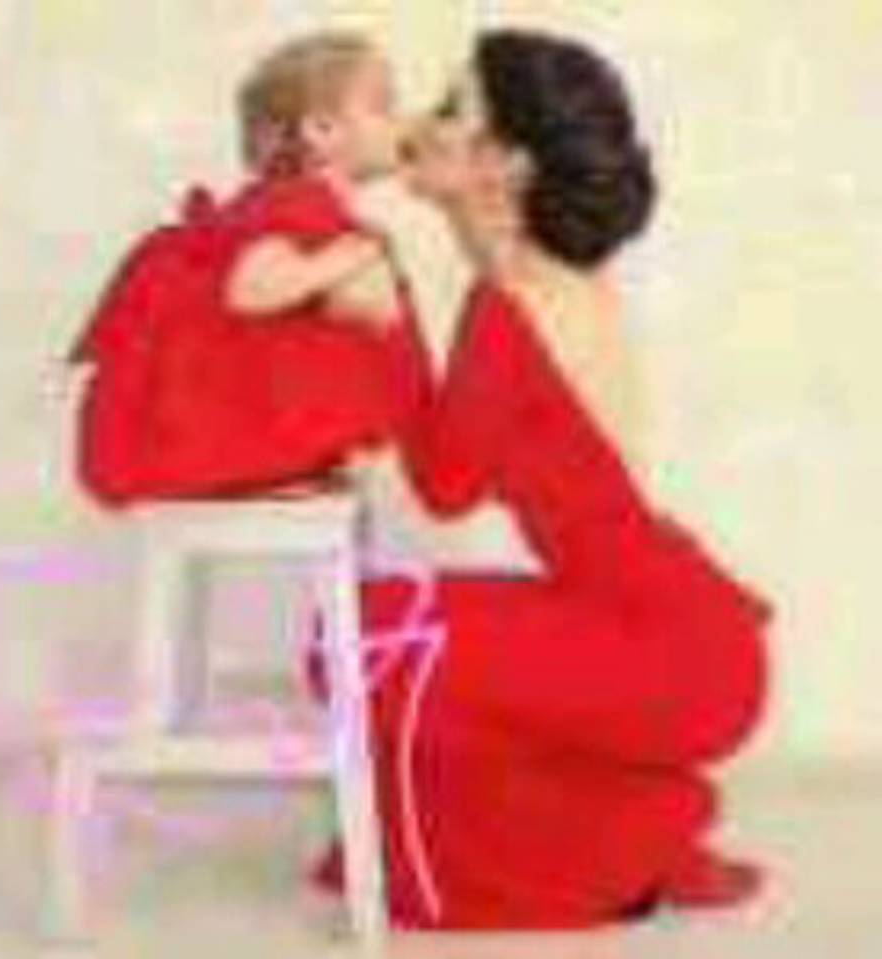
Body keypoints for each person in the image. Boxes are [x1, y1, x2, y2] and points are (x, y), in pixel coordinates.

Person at [309, 29, 773, 929]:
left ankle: (634, 830)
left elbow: (443, 483)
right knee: (379, 627)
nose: (418, 123)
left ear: (508, 163)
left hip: (666, 650)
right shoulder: (544, 283)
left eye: (450, 108)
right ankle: (627, 820)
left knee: (359, 639)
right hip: (673, 631)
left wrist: (387, 321)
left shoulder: (514, 303)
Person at [70, 32, 406, 506]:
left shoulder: (316, 211)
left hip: (258, 433)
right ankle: (280, 459)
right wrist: (345, 258)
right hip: (232, 436)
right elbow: (250, 288)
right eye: (383, 107)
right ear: (322, 128)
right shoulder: (296, 201)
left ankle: (307, 458)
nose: (400, 122)